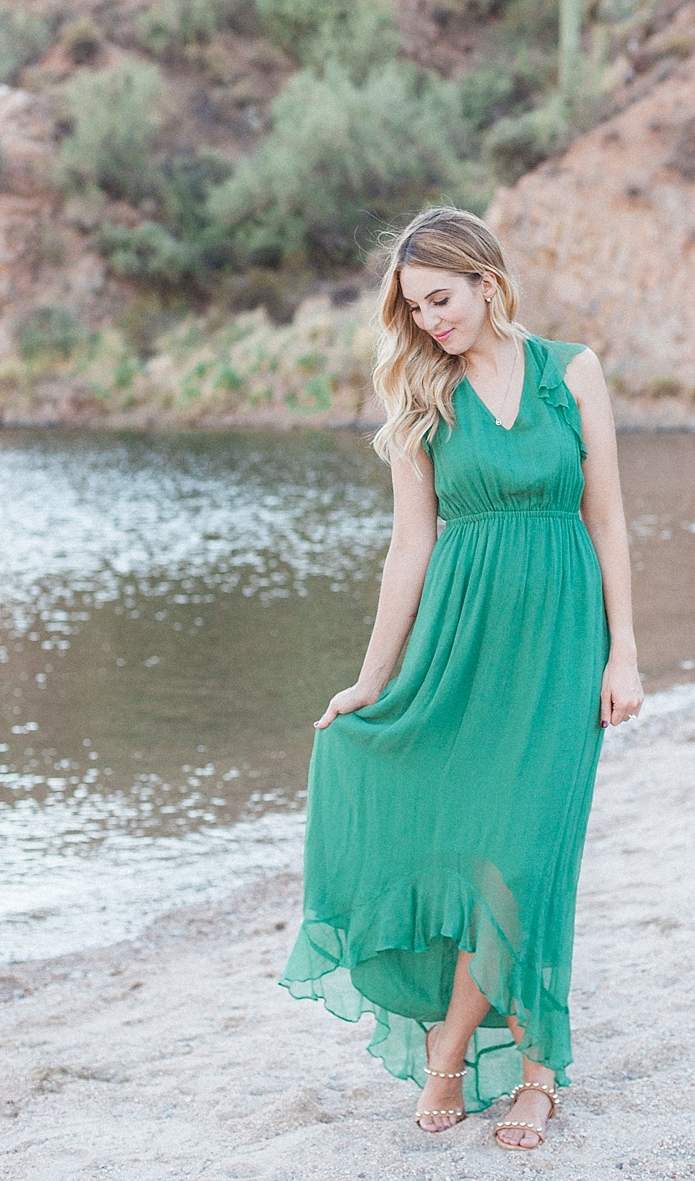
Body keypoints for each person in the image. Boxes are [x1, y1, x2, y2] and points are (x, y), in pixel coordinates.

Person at [279, 206, 643, 1150]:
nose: (432, 320)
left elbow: (606, 520)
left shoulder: (573, 371)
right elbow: (410, 548)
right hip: (461, 642)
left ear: (487, 279)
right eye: (415, 306)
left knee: (529, 854)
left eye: (442, 298)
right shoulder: (420, 393)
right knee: (469, 842)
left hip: (562, 645)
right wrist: (369, 680)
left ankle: (502, 1059)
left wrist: (625, 650)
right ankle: (505, 1055)